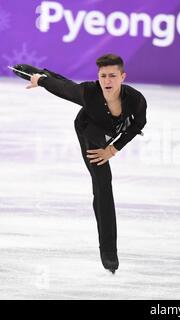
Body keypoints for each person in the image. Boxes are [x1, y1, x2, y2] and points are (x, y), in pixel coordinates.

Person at [13, 54, 147, 274]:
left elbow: (138, 124)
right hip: (90, 131)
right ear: (98, 77)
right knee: (103, 183)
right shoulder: (90, 92)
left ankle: (42, 73)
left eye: (113, 76)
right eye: (103, 76)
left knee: (71, 89)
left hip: (112, 133)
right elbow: (64, 89)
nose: (107, 81)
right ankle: (109, 252)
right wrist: (41, 80)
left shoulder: (136, 99)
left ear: (123, 77)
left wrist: (113, 149)